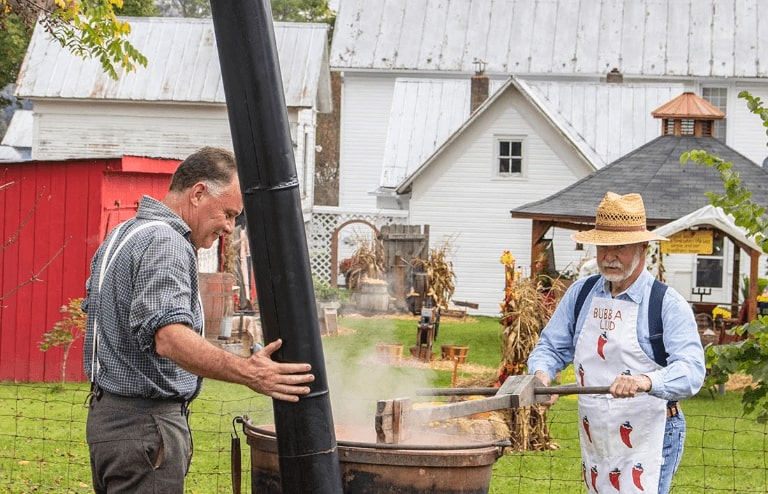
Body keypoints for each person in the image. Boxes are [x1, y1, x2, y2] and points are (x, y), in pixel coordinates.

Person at [82, 146, 315, 493]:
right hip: (146, 431)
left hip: (108, 424)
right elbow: (169, 336)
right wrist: (248, 372)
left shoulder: (122, 234)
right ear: (199, 193)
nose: (230, 227)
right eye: (229, 213)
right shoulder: (166, 241)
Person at [528, 192, 705, 494]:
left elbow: (691, 371)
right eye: (603, 247)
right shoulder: (581, 294)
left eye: (619, 247)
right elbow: (551, 347)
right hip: (596, 432)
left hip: (651, 433)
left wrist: (645, 380)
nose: (609, 256)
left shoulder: (665, 304)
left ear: (643, 248)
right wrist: (542, 375)